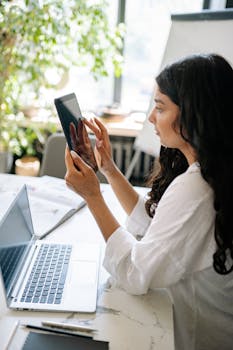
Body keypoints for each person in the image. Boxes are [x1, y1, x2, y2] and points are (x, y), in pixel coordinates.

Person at [64, 53, 233, 350]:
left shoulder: (196, 188)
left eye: (160, 108)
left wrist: (93, 196)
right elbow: (157, 224)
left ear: (193, 114)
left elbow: (134, 272)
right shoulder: (212, 172)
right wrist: (109, 171)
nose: (151, 118)